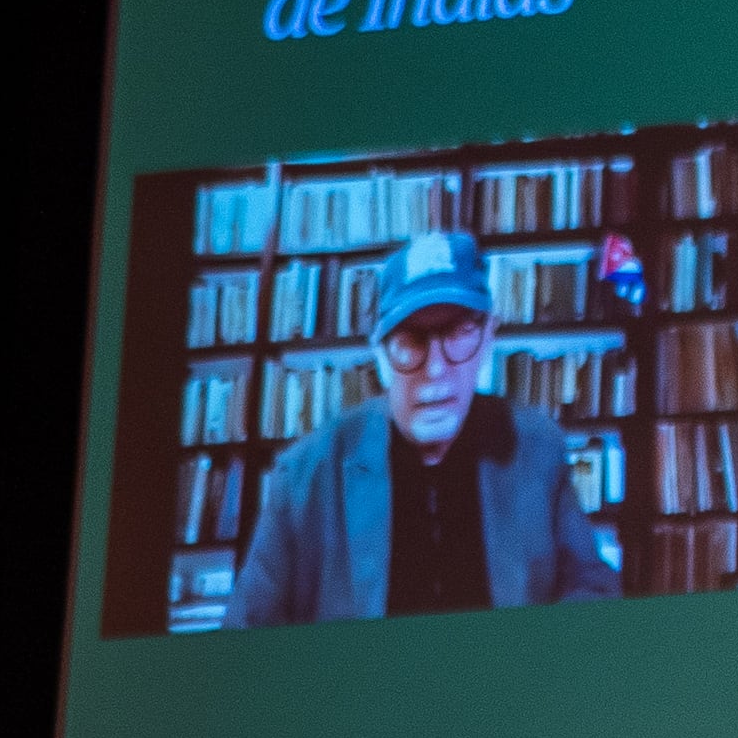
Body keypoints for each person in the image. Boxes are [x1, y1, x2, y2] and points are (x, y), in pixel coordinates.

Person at [223, 225, 624, 624]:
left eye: (458, 333)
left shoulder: (537, 449)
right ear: (380, 355)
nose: (435, 369)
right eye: (411, 342)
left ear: (487, 340)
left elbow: (593, 588)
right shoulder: (307, 475)